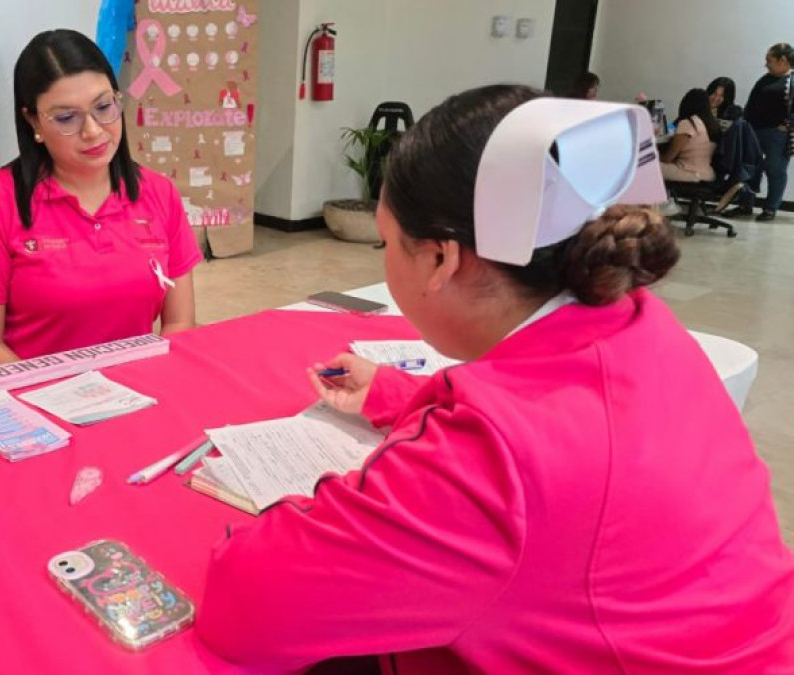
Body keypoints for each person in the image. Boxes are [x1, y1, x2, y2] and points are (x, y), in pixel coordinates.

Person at [196, 85, 794, 671]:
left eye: (386, 241)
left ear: (440, 260)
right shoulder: (636, 320)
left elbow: (244, 607)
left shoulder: (490, 459)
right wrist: (394, 394)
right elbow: (555, 434)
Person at [0, 29, 202, 367]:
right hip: (37, 398)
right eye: (66, 118)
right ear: (33, 120)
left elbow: (179, 324)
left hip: (139, 390)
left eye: (104, 107)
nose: (93, 131)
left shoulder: (158, 193)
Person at [728, 43, 794, 221]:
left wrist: (787, 125)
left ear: (783, 60)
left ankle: (770, 209)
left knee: (775, 169)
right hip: (753, 130)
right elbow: (752, 102)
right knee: (750, 169)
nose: (766, 64)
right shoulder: (766, 79)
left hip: (776, 134)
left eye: (769, 60)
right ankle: (745, 205)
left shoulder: (792, 80)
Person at [659, 88, 718, 182]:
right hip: (708, 174)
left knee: (646, 166)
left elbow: (668, 158)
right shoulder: (713, 125)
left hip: (689, 173)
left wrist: (652, 157)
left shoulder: (688, 123)